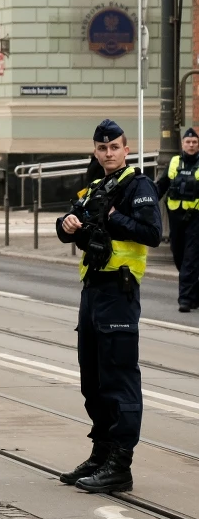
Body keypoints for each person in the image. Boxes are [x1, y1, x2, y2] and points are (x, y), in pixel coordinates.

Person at [55, 119, 162, 493]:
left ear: (126, 149)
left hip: (120, 291)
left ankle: (120, 463)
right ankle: (101, 453)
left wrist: (115, 217)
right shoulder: (96, 186)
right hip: (93, 291)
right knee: (93, 378)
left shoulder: (138, 185)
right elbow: (73, 221)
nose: (108, 153)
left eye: (114, 147)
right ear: (95, 151)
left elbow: (152, 233)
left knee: (119, 377)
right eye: (102, 148)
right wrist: (67, 224)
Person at [156, 127, 199, 313]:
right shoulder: (174, 162)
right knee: (178, 255)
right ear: (182, 144)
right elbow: (161, 185)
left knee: (190, 258)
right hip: (176, 217)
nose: (191, 145)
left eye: (194, 142)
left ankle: (185, 300)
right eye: (188, 142)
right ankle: (195, 293)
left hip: (196, 218)